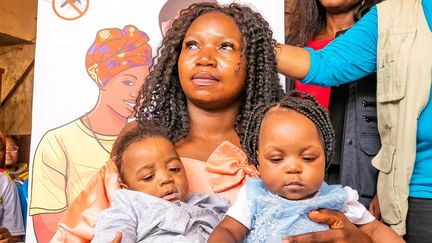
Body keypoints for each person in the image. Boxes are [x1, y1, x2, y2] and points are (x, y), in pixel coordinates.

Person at [52, 2, 373, 243]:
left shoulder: (281, 152)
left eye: (225, 46)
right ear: (175, 58)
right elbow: (72, 234)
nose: (204, 57)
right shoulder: (142, 151)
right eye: (192, 45)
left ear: (254, 60)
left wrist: (357, 238)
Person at [276, 0, 432, 240]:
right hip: (421, 192)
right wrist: (241, 39)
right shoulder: (395, 16)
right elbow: (324, 65)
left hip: (366, 180)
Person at [209, 91, 403, 242]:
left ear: (325, 157)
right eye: (277, 159)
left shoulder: (339, 198)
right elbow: (227, 230)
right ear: (258, 161)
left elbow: (376, 230)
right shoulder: (253, 195)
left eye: (308, 158)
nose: (293, 168)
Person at [30, 25, 153, 242]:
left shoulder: (152, 141)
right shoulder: (58, 143)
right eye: (128, 81)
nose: (137, 93)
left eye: (145, 84)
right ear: (100, 78)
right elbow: (49, 233)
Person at [285, 0, 383, 208]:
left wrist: (386, 188)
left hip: (359, 176)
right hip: (299, 174)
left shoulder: (380, 36)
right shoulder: (294, 45)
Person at [92, 123, 229, 242]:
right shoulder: (130, 205)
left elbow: (237, 224)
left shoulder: (208, 203)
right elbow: (115, 227)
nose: (166, 178)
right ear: (128, 189)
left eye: (174, 169)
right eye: (148, 177)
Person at [0, 131, 25, 242]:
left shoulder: (6, 183)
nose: (6, 153)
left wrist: (8, 238)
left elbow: (15, 236)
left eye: (1, 149)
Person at [5, 135, 29, 227]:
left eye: (12, 148)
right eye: (3, 148)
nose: (8, 153)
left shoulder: (29, 176)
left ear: (18, 151)